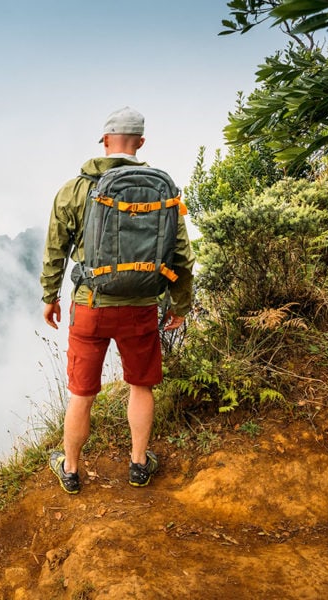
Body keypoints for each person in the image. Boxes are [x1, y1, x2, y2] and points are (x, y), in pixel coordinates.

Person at [40, 107, 195, 492]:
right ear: (140, 143)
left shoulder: (75, 189)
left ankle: (71, 470)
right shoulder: (163, 190)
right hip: (141, 307)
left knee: (81, 392)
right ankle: (139, 464)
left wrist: (50, 296)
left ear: (104, 140)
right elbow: (181, 255)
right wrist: (180, 304)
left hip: (91, 308)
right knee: (141, 386)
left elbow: (55, 249)